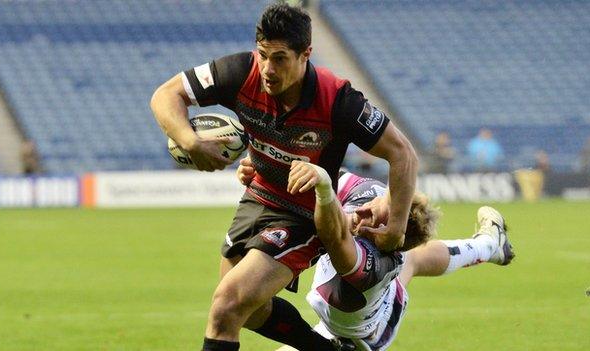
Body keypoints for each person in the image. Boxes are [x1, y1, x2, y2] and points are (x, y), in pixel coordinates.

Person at [150, 4, 418, 350]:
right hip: (258, 196)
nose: (267, 69)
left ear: (306, 54)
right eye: (262, 55)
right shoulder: (238, 71)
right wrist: (190, 141)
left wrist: (396, 226)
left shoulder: (340, 101)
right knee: (248, 310)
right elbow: (165, 94)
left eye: (279, 58)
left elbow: (403, 154)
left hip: (305, 214)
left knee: (226, 307)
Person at [273, 161, 515, 350]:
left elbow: (332, 233)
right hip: (360, 307)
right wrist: (266, 171)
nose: (363, 211)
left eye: (375, 220)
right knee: (414, 259)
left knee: (409, 262)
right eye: (377, 203)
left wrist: (326, 188)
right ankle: (490, 244)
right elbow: (319, 170)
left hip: (359, 337)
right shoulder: (371, 193)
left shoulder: (370, 265)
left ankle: (490, 244)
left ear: (390, 237)